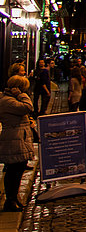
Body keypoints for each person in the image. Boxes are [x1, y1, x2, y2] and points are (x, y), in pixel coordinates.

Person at [0, 75, 34, 211]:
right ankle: (10, 201)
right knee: (13, 170)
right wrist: (22, 95)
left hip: (19, 137)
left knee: (18, 169)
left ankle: (14, 198)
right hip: (14, 138)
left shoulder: (9, 99)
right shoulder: (8, 101)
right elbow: (27, 107)